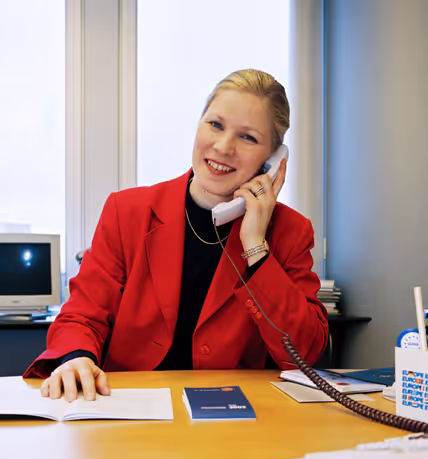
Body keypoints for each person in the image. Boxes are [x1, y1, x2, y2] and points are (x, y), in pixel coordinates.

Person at [24, 69, 328, 400]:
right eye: (216, 125)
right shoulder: (128, 212)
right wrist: (76, 357)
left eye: (248, 137)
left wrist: (256, 246)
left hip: (234, 421)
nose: (223, 146)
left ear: (273, 160)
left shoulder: (289, 232)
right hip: (130, 410)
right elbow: (82, 315)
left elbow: (304, 353)